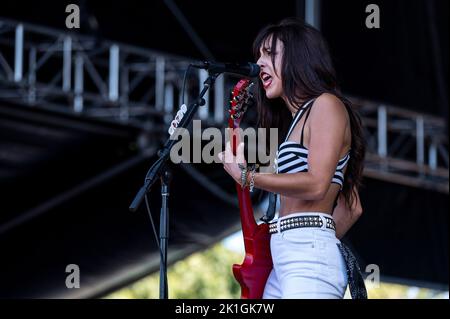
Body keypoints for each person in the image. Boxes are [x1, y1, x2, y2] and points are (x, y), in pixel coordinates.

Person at [218, 18, 366, 299]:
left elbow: (316, 185)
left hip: (308, 257)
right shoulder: (298, 120)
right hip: (287, 253)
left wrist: (247, 176)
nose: (260, 63)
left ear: (298, 57)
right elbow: (352, 206)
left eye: (269, 54)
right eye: (258, 55)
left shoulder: (326, 105)